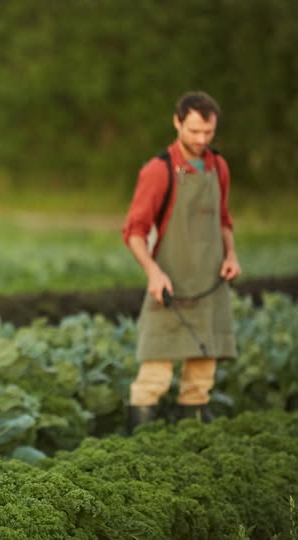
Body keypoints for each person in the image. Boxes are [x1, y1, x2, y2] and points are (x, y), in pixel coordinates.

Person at [122, 90, 241, 431]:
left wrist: (231, 254)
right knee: (154, 375)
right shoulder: (158, 170)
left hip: (209, 284)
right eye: (193, 131)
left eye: (208, 133)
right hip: (169, 284)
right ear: (177, 122)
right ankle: (139, 447)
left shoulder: (218, 166)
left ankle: (189, 441)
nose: (201, 139)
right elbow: (134, 232)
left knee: (201, 379)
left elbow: (224, 221)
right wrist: (153, 273)